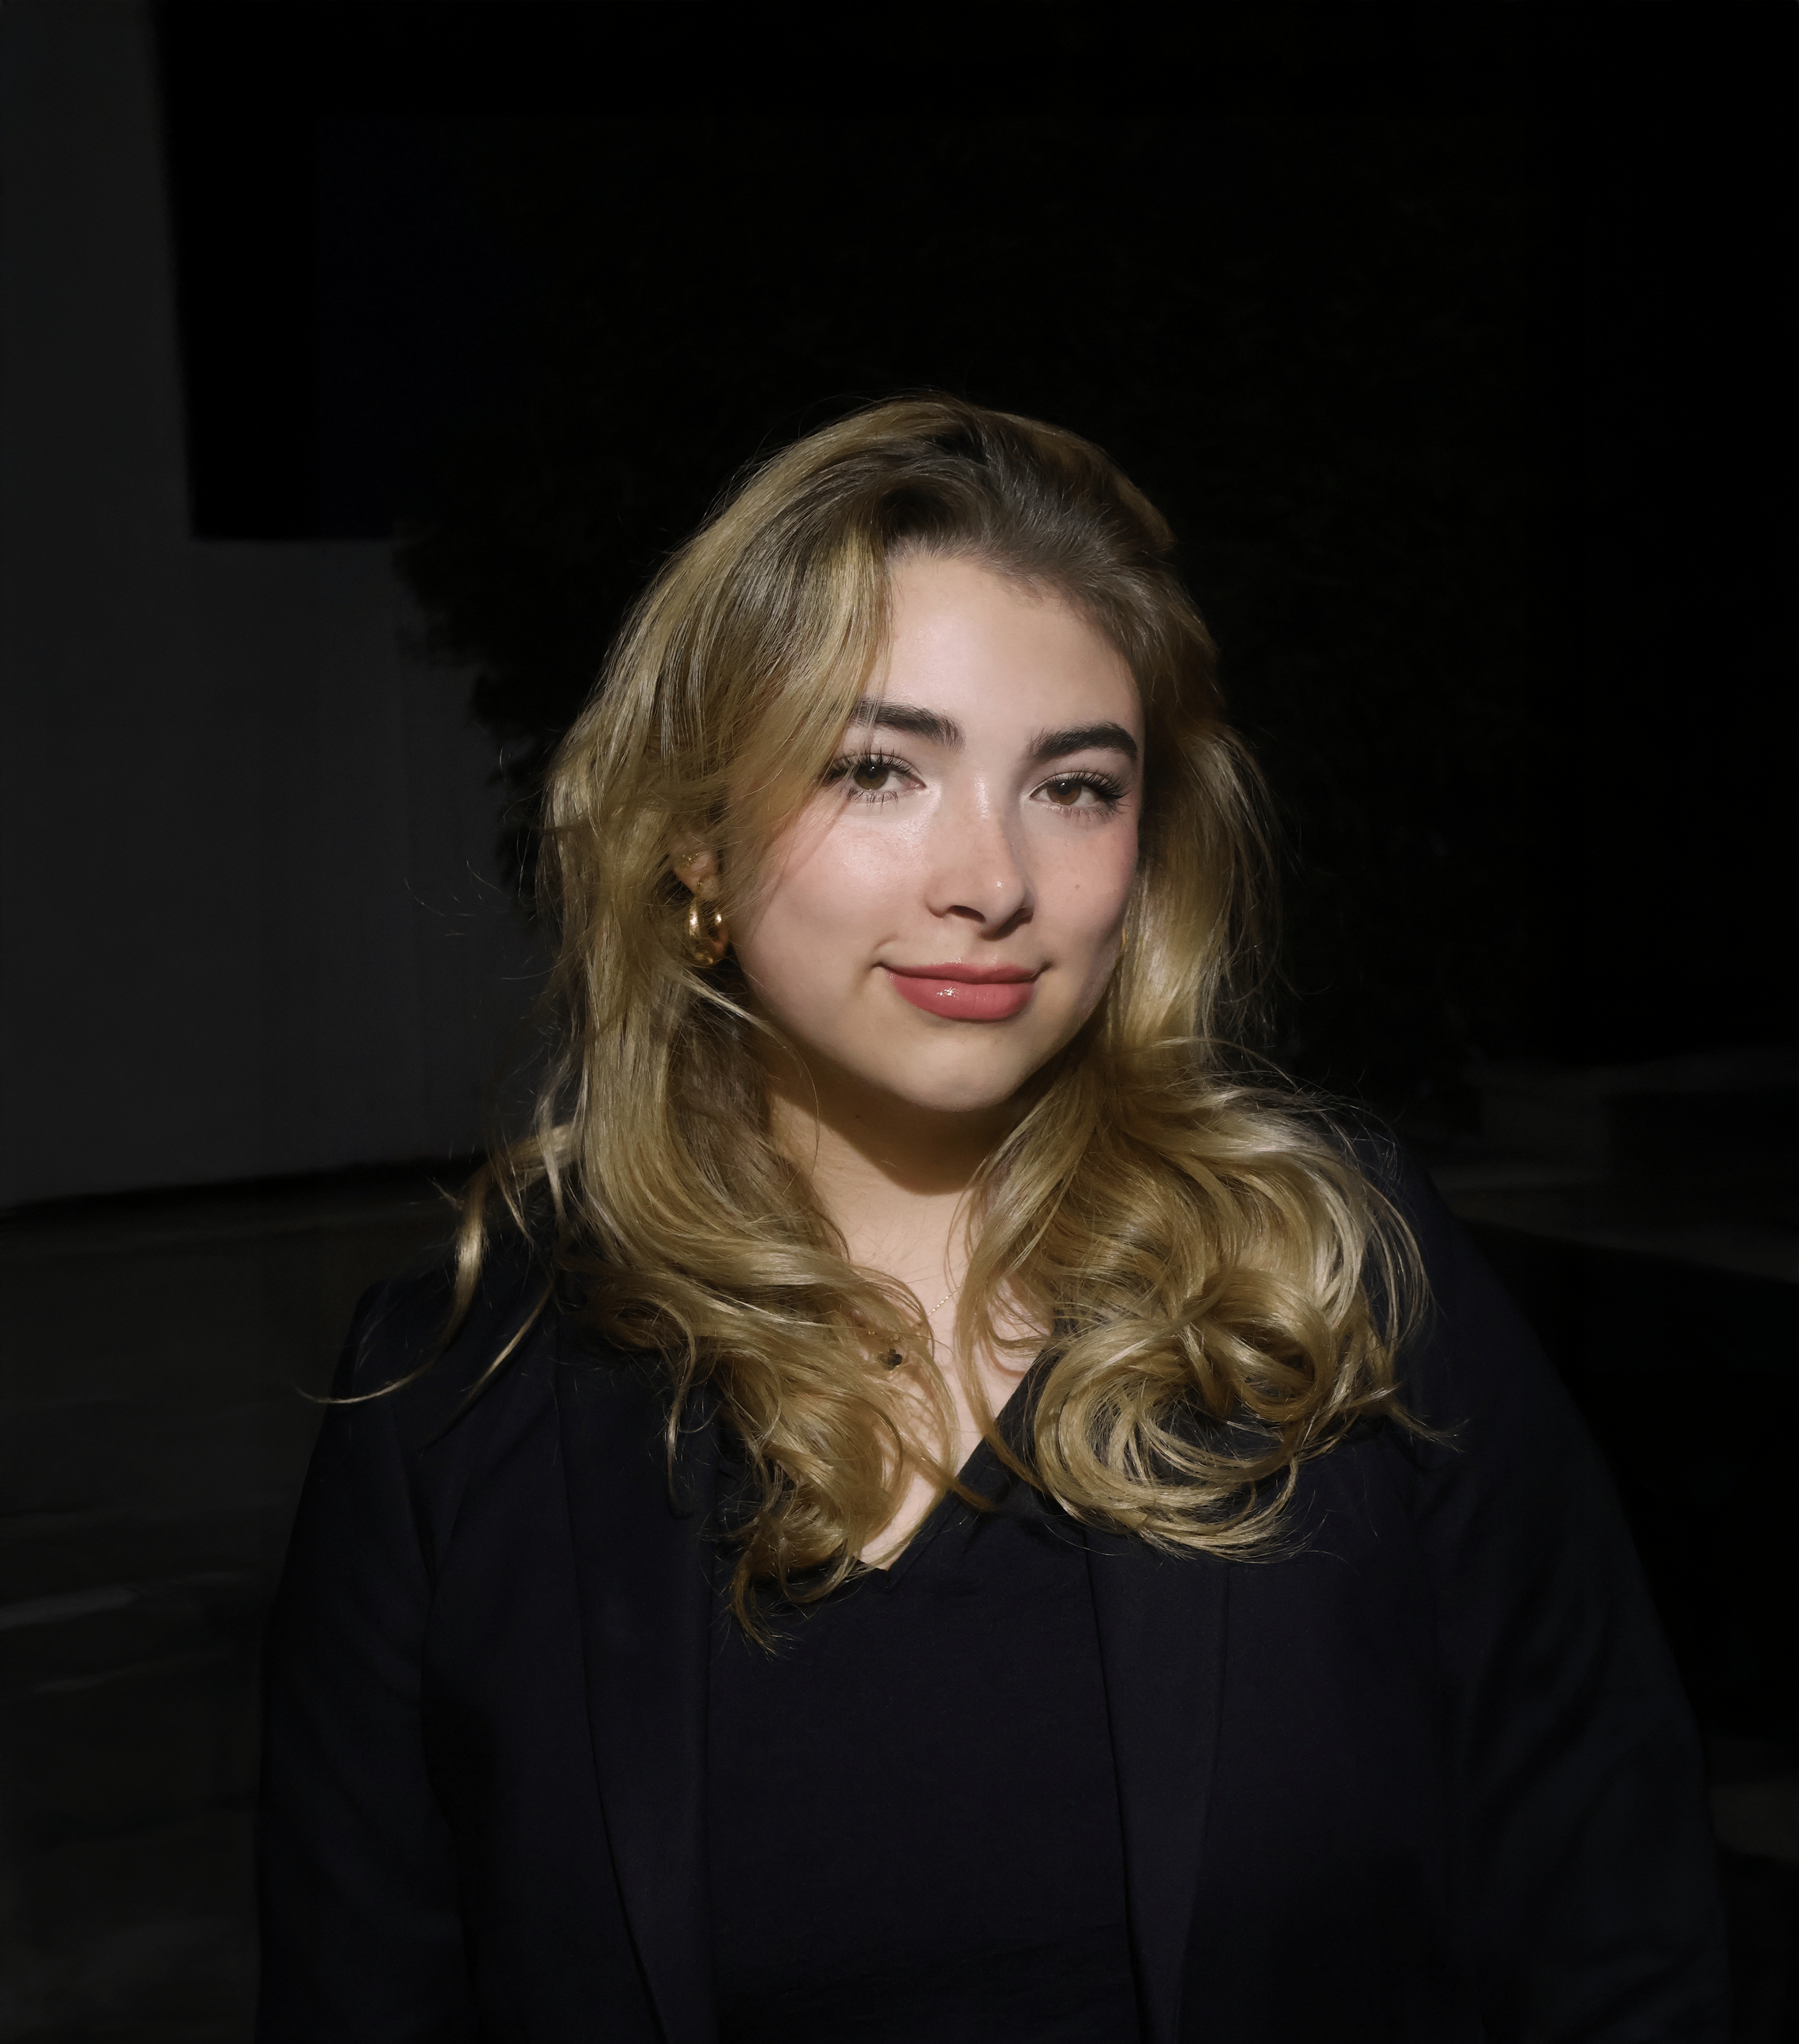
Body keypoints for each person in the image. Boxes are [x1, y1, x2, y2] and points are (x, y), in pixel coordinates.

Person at [257, 398, 1727, 2043]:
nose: (993, 877)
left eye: (1075, 785)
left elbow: (1614, 1933)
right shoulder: (462, 1393)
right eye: (877, 767)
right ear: (695, 844)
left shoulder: (1333, 1283)